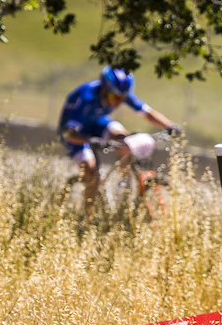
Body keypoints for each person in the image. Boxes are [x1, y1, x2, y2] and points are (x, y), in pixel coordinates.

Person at [58, 66, 180, 220]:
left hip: (98, 123)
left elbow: (146, 113)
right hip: (75, 134)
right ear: (104, 89)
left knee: (124, 141)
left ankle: (123, 187)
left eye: (123, 98)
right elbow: (68, 133)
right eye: (115, 97)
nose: (119, 101)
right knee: (92, 172)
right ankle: (87, 219)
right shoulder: (87, 98)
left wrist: (168, 125)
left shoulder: (119, 92)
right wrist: (89, 140)